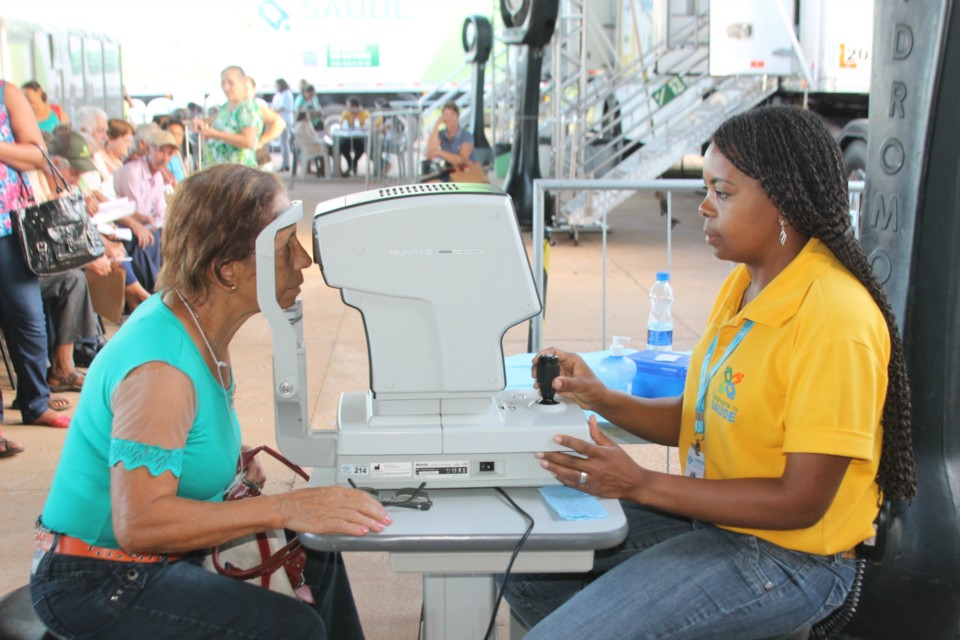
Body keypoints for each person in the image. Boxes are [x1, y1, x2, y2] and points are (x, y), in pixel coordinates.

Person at [504, 106, 918, 639]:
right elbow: (702, 416)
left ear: (784, 203)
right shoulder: (748, 283)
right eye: (706, 189)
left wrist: (640, 483)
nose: (703, 207)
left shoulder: (835, 316)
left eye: (722, 193)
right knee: (526, 563)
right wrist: (602, 398)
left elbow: (801, 500)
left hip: (789, 558)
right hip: (721, 522)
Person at [30, 163, 393, 638]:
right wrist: (287, 508)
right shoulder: (163, 371)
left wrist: (225, 464)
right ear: (228, 271)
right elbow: (138, 524)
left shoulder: (197, 327)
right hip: (95, 581)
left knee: (317, 553)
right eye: (285, 248)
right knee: (291, 627)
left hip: (133, 563)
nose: (304, 261)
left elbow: (171, 443)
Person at [0, 80, 72, 429]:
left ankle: (35, 402)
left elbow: (36, 154)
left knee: (28, 318)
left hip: (10, 227)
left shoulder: (6, 93)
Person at [112, 128, 178, 296]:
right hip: (122, 225)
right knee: (148, 237)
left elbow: (161, 211)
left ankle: (162, 289)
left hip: (144, 225)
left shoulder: (157, 176)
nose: (164, 158)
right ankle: (153, 291)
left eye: (169, 154)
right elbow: (132, 211)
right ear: (149, 149)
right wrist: (149, 221)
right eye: (161, 151)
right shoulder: (132, 172)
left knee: (168, 234)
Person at [195, 66, 263, 168]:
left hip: (237, 173)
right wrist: (202, 123)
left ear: (243, 82)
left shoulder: (248, 107)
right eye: (223, 83)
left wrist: (216, 134)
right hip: (219, 171)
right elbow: (220, 122)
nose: (226, 87)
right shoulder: (226, 106)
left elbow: (249, 141)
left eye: (231, 83)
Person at [426, 101, 473, 175]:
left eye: (452, 114)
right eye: (446, 115)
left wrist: (439, 152)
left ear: (457, 115)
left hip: (464, 173)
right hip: (447, 171)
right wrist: (437, 125)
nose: (449, 118)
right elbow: (431, 150)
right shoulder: (442, 134)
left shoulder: (466, 135)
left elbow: (461, 160)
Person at [338, 97, 370, 177]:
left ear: (354, 106)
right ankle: (350, 163)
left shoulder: (364, 113)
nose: (347, 107)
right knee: (341, 146)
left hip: (360, 138)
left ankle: (353, 163)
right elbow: (342, 126)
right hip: (348, 138)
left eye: (348, 105)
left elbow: (368, 125)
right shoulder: (345, 113)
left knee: (363, 146)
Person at [270, 78, 295, 171]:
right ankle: (285, 163)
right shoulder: (278, 94)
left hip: (285, 121)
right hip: (279, 121)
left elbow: (283, 107)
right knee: (282, 143)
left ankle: (286, 164)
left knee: (284, 143)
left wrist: (274, 110)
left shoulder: (287, 94)